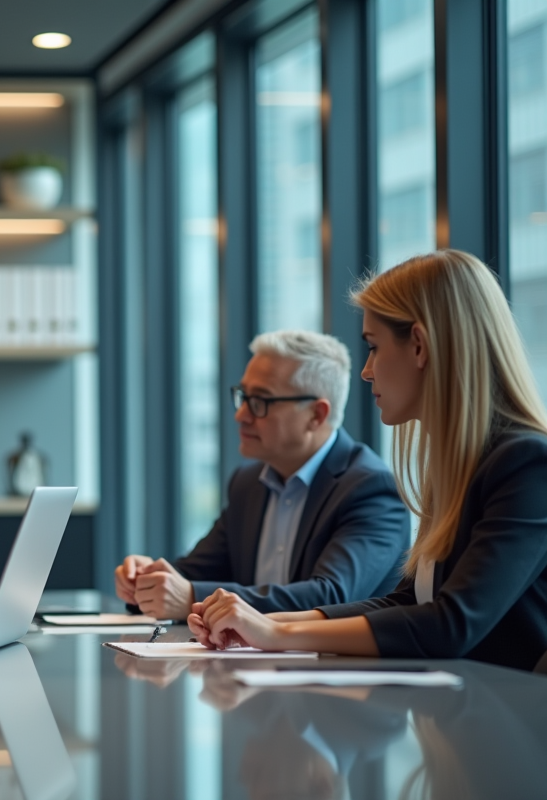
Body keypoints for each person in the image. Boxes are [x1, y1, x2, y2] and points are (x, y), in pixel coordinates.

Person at [190, 250, 547, 672]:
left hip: (511, 729)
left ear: (418, 346)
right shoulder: (461, 465)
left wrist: (278, 634)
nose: (366, 371)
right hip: (467, 716)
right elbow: (409, 601)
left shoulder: (526, 463)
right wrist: (263, 622)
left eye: (374, 348)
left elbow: (452, 623)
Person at [114, 330, 409, 619]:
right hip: (249, 661)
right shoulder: (248, 483)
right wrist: (147, 582)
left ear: (316, 415)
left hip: (336, 666)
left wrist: (192, 596)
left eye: (261, 401)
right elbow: (196, 573)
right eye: (243, 396)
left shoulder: (369, 487)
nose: (241, 415)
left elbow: (330, 596)